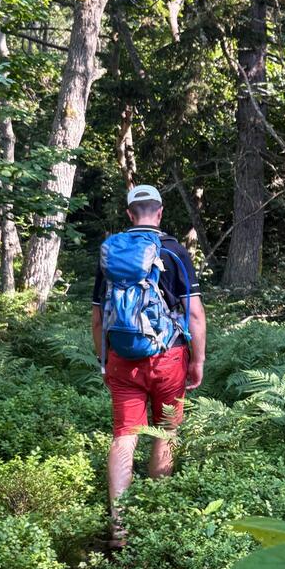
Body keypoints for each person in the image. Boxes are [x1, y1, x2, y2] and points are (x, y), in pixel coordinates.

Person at [91, 184, 206, 540]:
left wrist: (104, 360)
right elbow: (196, 316)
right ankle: (155, 516)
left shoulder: (111, 254)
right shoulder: (173, 252)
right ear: (159, 211)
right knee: (166, 430)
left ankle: (120, 525)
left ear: (129, 214)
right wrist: (197, 361)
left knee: (125, 436)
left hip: (122, 358)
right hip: (168, 357)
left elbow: (97, 318)